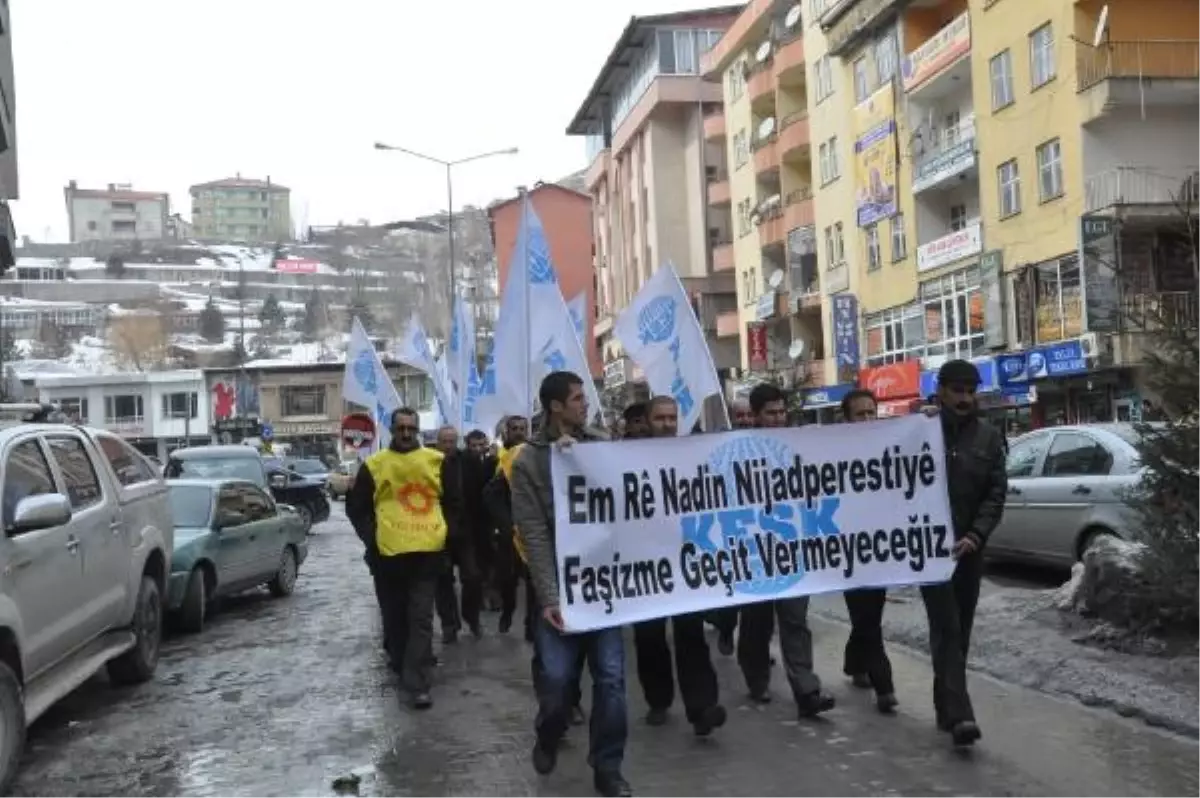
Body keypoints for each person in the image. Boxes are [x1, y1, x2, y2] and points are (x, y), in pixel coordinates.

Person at [513, 371, 631, 798]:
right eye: (578, 398)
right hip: (560, 590)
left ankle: (608, 767)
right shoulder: (527, 461)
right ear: (556, 406)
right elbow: (533, 533)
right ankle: (548, 734)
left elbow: (626, 505)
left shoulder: (601, 447)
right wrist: (549, 598)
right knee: (559, 682)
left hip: (603, 588)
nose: (586, 404)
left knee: (612, 680)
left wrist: (584, 461)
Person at [346, 407, 461, 710]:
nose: (406, 434)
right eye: (401, 429)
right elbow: (357, 508)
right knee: (395, 620)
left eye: (411, 428)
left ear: (419, 430)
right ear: (392, 431)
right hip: (387, 558)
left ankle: (418, 684)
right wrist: (373, 539)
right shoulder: (374, 465)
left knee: (421, 618)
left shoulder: (438, 462)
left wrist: (446, 538)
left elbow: (454, 504)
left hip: (427, 556)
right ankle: (401, 665)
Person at [736, 383, 836, 719]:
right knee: (756, 624)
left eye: (782, 412)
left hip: (793, 551)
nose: (778, 419)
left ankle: (807, 690)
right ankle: (757, 679)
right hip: (754, 553)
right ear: (756, 416)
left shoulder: (803, 445)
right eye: (771, 413)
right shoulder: (738, 450)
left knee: (795, 621)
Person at [923, 359, 1008, 748]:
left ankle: (945, 703)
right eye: (957, 391)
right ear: (941, 391)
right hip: (930, 551)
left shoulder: (989, 438)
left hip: (969, 552)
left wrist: (976, 535)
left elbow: (995, 492)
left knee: (960, 632)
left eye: (971, 391)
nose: (965, 398)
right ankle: (961, 715)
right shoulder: (921, 430)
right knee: (948, 627)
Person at [631, 396, 727, 737]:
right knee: (650, 637)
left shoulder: (692, 452)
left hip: (686, 562)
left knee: (691, 634)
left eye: (673, 418)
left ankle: (702, 707)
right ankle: (658, 700)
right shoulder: (625, 457)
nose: (668, 424)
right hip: (644, 565)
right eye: (660, 418)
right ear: (647, 420)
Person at [838, 388, 898, 714]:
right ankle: (884, 684)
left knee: (869, 615)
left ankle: (854, 663)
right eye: (859, 414)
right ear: (846, 419)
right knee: (867, 618)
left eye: (870, 412)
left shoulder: (889, 444)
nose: (866, 419)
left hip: (880, 547)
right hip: (847, 548)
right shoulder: (833, 452)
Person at [709, 396, 754, 656]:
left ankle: (753, 649)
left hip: (758, 527)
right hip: (728, 528)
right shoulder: (717, 445)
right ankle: (726, 629)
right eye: (740, 416)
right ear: (731, 417)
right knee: (733, 589)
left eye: (749, 415)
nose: (745, 420)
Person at [433, 425, 484, 640]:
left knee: (472, 577)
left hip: (466, 530)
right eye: (444, 441)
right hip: (438, 532)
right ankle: (449, 624)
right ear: (438, 442)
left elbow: (481, 490)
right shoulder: (430, 461)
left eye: (451, 441)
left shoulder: (469, 461)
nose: (448, 446)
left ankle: (471, 617)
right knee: (443, 580)